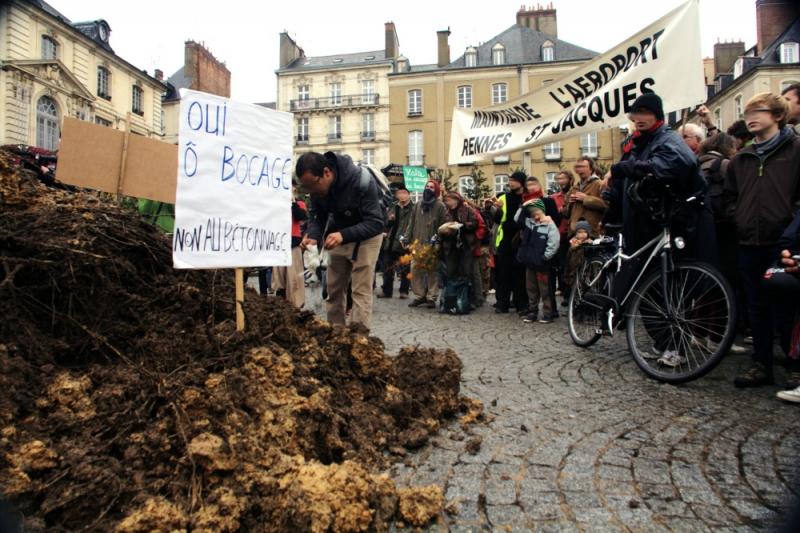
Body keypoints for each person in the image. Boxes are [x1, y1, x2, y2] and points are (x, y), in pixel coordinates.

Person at [604, 92, 714, 367]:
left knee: (668, 290)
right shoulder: (638, 143)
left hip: (669, 223)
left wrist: (624, 168)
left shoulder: (668, 139)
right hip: (641, 223)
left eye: (643, 113)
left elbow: (673, 166)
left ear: (657, 115)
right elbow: (627, 185)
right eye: (634, 114)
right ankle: (662, 342)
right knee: (645, 288)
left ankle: (675, 347)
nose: (637, 118)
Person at [722, 92, 800, 387]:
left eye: (759, 111)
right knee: (755, 305)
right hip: (748, 241)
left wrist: (792, 225)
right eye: (747, 113)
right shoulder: (741, 158)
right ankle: (761, 363)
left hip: (784, 241)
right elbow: (729, 197)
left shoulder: (795, 150)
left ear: (777, 116)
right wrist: (739, 216)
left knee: (787, 305)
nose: (750, 118)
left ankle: (795, 364)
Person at [297, 151, 384, 330]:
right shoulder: (316, 189)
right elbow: (317, 216)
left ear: (327, 172)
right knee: (333, 289)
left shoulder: (362, 182)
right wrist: (313, 236)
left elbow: (375, 223)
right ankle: (335, 333)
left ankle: (359, 339)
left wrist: (343, 235)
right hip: (337, 234)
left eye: (313, 185)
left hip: (367, 235)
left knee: (360, 290)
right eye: (307, 188)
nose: (311, 193)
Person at [698, 133, 748, 355]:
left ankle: (697, 333)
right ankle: (717, 338)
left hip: (701, 229)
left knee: (703, 284)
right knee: (725, 285)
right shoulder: (726, 165)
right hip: (725, 230)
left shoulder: (697, 163)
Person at [515, 198, 560, 324]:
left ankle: (548, 313)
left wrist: (545, 257)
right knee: (531, 288)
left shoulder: (550, 226)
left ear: (543, 211)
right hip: (530, 262)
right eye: (532, 213)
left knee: (545, 290)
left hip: (542, 264)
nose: (535, 215)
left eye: (537, 213)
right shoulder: (530, 223)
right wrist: (523, 206)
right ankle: (532, 311)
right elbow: (516, 219)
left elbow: (554, 242)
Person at [405, 179, 447, 308]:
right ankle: (419, 295)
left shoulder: (440, 206)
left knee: (432, 272)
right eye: (427, 186)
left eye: (432, 187)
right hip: (417, 243)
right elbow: (411, 223)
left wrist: (438, 238)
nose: (428, 189)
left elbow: (443, 225)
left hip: (432, 244)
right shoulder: (418, 205)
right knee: (415, 270)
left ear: (436, 191)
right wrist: (407, 238)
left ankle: (431, 297)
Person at [493, 171, 528, 314]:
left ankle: (522, 304)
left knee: (520, 275)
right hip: (505, 240)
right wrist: (498, 210)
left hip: (521, 239)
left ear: (521, 182)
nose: (510, 183)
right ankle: (502, 303)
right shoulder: (503, 198)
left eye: (513, 180)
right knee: (503, 274)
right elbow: (497, 220)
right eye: (509, 180)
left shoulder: (527, 198)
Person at [439, 192, 479, 313]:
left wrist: (462, 225)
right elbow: (441, 227)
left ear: (456, 200)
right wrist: (447, 229)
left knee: (466, 273)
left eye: (450, 200)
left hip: (465, 245)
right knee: (450, 273)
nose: (448, 203)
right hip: (450, 246)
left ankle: (468, 300)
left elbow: (475, 223)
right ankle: (450, 299)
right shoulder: (446, 212)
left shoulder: (467, 209)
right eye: (447, 201)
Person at [273, 185, 308, 308]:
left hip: (293, 244)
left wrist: (292, 202)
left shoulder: (299, 204)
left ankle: (295, 306)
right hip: (279, 244)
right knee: (279, 280)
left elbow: (302, 216)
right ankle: (280, 304)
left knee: (294, 279)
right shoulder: (276, 202)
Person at [378, 183, 413, 299]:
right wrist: (389, 220)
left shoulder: (414, 208)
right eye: (400, 193)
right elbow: (386, 224)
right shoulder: (393, 206)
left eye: (404, 193)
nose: (402, 195)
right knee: (388, 268)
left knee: (405, 269)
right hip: (391, 241)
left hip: (404, 242)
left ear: (409, 195)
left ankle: (404, 291)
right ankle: (387, 290)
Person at [565, 157, 607, 236]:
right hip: (574, 234)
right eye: (577, 167)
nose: (579, 169)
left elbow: (607, 205)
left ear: (591, 169)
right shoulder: (575, 187)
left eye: (582, 166)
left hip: (592, 233)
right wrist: (569, 204)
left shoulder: (600, 184)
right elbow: (566, 213)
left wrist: (586, 199)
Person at [551, 171, 574, 303]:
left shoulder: (574, 194)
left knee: (573, 264)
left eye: (563, 178)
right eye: (559, 179)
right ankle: (566, 293)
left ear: (570, 179)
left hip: (573, 232)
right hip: (559, 234)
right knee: (562, 265)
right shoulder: (555, 197)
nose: (561, 181)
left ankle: (573, 293)